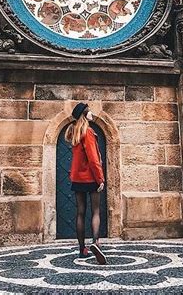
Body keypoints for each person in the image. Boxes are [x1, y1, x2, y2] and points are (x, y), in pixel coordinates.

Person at [65, 102, 107, 264]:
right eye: (89, 111)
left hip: (77, 179)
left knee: (80, 212)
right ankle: (96, 243)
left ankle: (82, 248)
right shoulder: (88, 132)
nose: (92, 113)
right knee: (95, 211)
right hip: (91, 177)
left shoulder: (75, 132)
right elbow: (94, 159)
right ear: (84, 114)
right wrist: (100, 179)